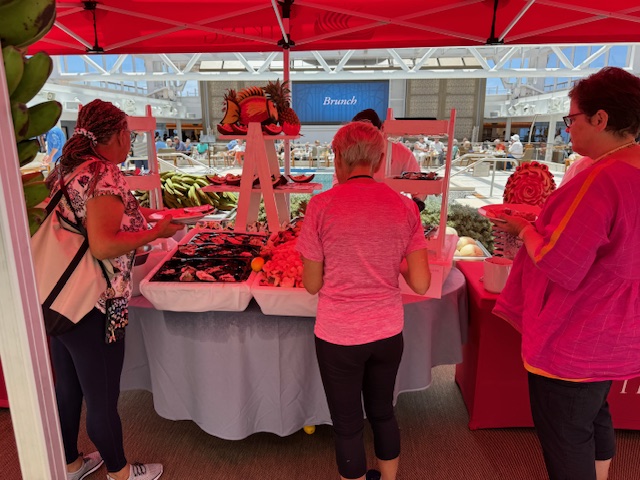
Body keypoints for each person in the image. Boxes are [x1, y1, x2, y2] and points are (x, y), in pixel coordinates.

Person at [492, 66, 640, 480]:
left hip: (577, 333)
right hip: (618, 327)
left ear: (600, 118)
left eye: (571, 118)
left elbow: (560, 262)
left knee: (566, 433)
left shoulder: (603, 178)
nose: (567, 128)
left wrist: (525, 230)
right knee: (594, 414)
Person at [44, 99, 184, 480]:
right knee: (103, 396)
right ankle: (120, 473)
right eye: (130, 135)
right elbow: (104, 244)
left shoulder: (65, 170)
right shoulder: (103, 173)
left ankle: (70, 463)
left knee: (68, 388)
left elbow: (95, 222)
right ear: (120, 135)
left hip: (60, 297)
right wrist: (153, 233)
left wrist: (148, 222)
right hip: (96, 302)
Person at [297, 120, 431, 480]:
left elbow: (311, 284)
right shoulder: (405, 207)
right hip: (387, 331)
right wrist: (391, 260)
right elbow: (421, 282)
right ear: (380, 160)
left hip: (338, 334)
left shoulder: (320, 206)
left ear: (338, 159)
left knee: (347, 425)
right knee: (383, 413)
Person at [334, 109, 427, 211]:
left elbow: (418, 185)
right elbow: (337, 181)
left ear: (382, 130)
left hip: (389, 209)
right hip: (354, 206)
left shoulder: (400, 151)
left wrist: (417, 202)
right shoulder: (348, 149)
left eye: (370, 133)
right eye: (359, 134)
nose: (365, 140)